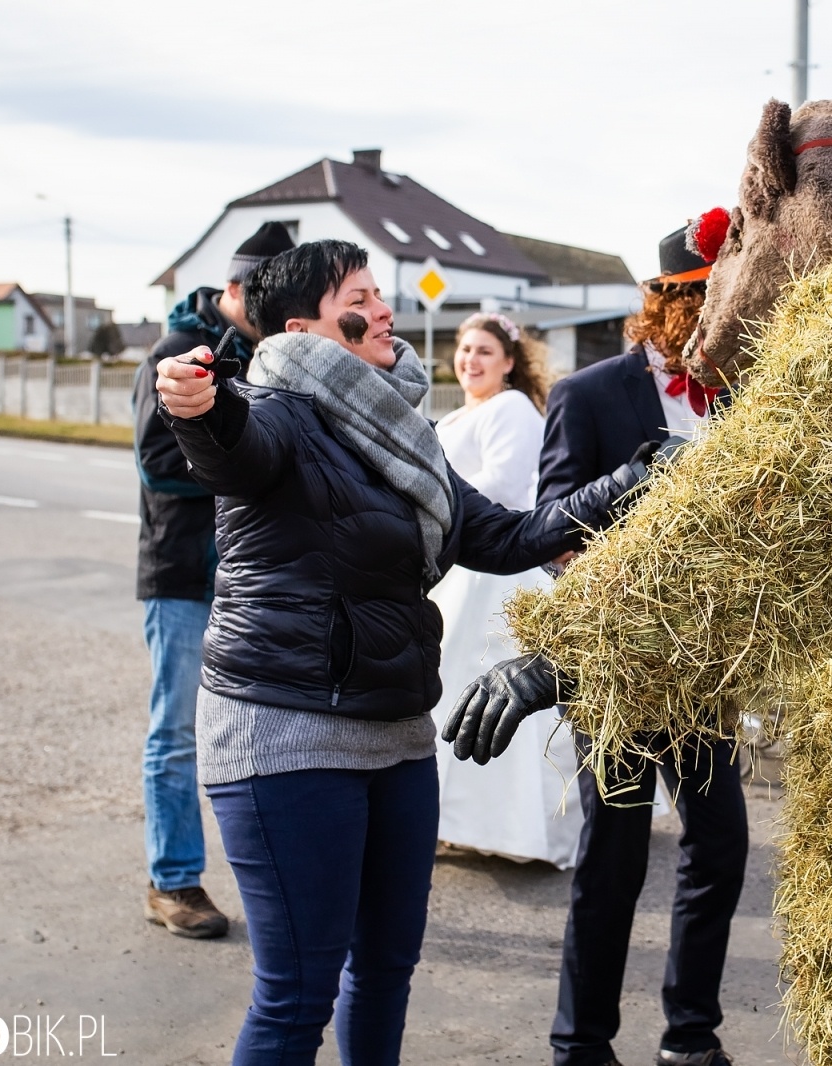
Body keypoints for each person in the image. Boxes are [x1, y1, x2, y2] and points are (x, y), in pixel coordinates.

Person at [154, 238, 658, 1066]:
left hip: (393, 735)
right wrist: (198, 409)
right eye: (360, 295)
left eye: (381, 291)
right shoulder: (275, 410)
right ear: (305, 329)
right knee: (297, 996)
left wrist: (634, 480)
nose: (385, 308)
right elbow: (232, 449)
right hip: (285, 736)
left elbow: (503, 534)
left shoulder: (400, 432)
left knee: (386, 969)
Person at [448, 216, 747, 1066]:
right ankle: (581, 1044)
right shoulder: (590, 393)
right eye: (707, 300)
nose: (723, 316)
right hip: (613, 662)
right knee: (612, 858)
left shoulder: (738, 395)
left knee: (720, 845)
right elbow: (550, 530)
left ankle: (691, 1036)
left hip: (701, 664)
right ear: (668, 304)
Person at [132, 220, 294, 938]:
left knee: (269, 734)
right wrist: (249, 471)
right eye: (264, 293)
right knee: (177, 733)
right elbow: (157, 465)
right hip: (184, 574)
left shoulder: (273, 358)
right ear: (232, 289)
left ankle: (282, 882)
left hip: (254, 580)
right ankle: (173, 882)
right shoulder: (176, 353)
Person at [430, 312, 583, 868]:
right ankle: (448, 817)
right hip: (456, 568)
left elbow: (506, 485)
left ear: (510, 363)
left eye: (484, 352)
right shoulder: (455, 415)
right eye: (465, 349)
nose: (470, 360)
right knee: (445, 692)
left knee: (500, 691)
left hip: (497, 563)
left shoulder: (512, 409)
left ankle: (524, 828)